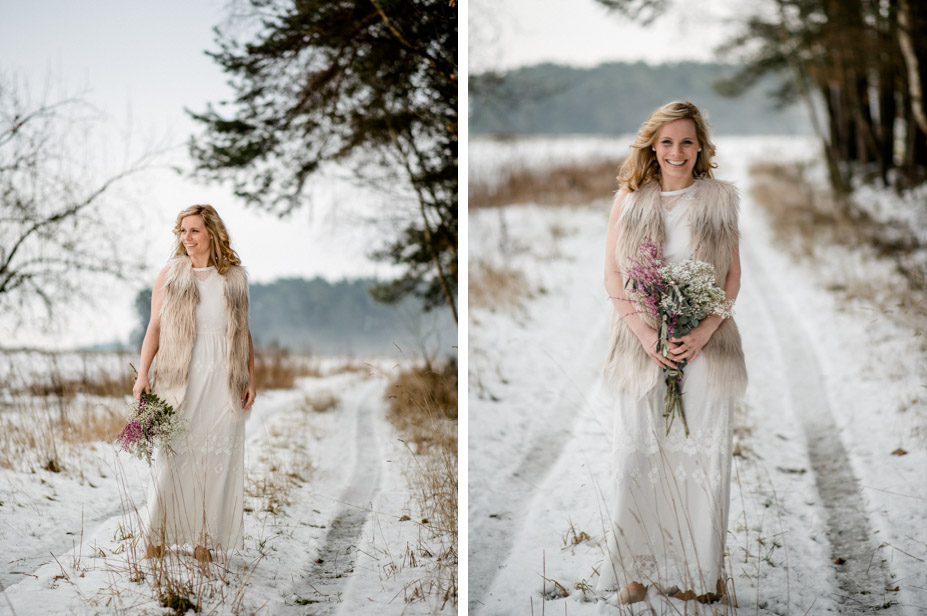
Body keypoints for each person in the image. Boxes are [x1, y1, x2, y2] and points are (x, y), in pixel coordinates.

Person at [598, 101, 747, 604]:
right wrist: (644, 334)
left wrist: (702, 332)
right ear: (652, 146)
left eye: (686, 141)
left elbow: (731, 275)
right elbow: (613, 276)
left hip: (704, 345)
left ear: (700, 146)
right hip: (641, 345)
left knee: (698, 458)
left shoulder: (719, 200)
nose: (676, 152)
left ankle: (697, 573)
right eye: (666, 142)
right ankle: (637, 571)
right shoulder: (630, 200)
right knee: (639, 454)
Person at [132, 204, 256, 562]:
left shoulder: (234, 278)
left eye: (194, 231)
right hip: (179, 376)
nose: (186, 238)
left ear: (212, 233)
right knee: (172, 456)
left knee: (216, 458)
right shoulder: (171, 274)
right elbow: (154, 327)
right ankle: (156, 538)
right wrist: (143, 374)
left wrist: (250, 378)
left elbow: (243, 332)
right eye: (182, 231)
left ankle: (205, 542)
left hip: (225, 378)